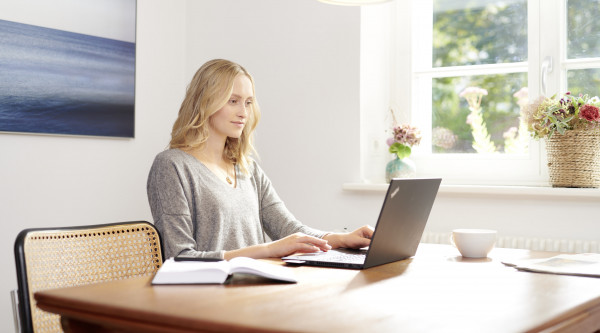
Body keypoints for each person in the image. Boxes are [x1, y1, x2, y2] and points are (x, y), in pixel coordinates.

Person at [147, 59, 373, 260]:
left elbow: (288, 229)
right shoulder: (172, 166)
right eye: (233, 101)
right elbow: (180, 256)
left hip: (254, 288)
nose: (244, 113)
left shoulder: (247, 169)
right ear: (205, 102)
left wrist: (341, 239)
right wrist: (268, 250)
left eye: (248, 102)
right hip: (208, 296)